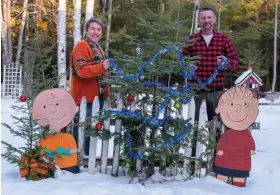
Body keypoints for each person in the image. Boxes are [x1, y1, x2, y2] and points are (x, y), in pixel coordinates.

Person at [182, 7, 239, 122]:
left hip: (217, 93)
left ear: (214, 19)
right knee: (196, 127)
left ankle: (216, 140)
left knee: (218, 128)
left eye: (209, 17)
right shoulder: (191, 40)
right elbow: (181, 61)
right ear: (198, 21)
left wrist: (226, 63)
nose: (206, 20)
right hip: (197, 92)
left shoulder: (223, 39)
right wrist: (187, 66)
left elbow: (235, 63)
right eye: (203, 18)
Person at [70, 17, 110, 156]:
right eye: (93, 29)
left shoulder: (97, 48)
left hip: (96, 98)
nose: (96, 32)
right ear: (86, 30)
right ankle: (76, 161)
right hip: (84, 100)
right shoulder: (82, 46)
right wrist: (101, 67)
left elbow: (100, 74)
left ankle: (86, 159)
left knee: (90, 132)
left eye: (99, 29)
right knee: (81, 131)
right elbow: (82, 70)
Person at [214, 86, 259, 187]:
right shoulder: (227, 134)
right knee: (222, 174)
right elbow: (222, 141)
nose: (238, 109)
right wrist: (220, 149)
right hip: (226, 159)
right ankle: (220, 185)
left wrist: (252, 149)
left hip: (241, 160)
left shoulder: (246, 135)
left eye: (245, 104)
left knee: (239, 176)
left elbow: (250, 141)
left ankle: (238, 187)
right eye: (232, 104)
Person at [32, 88, 80, 173]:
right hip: (70, 168)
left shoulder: (44, 139)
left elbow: (40, 153)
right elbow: (73, 152)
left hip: (52, 168)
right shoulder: (69, 137)